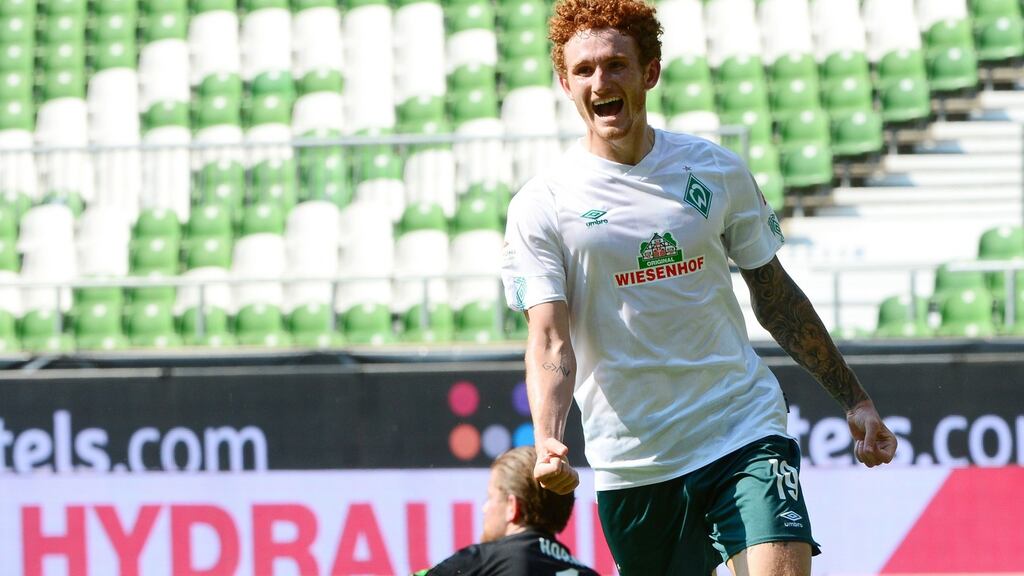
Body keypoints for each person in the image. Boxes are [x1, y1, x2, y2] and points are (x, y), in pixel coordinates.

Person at [499, 0, 899, 574]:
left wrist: (854, 399)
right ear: (565, 82)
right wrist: (549, 439)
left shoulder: (715, 170)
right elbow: (550, 340)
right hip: (634, 460)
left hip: (741, 427)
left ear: (650, 72)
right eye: (583, 70)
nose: (600, 81)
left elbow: (777, 297)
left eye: (616, 64)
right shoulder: (542, 204)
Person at [423, 446, 599, 576]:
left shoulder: (485, 561)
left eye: (490, 497)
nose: (485, 508)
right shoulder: (589, 574)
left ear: (512, 506)